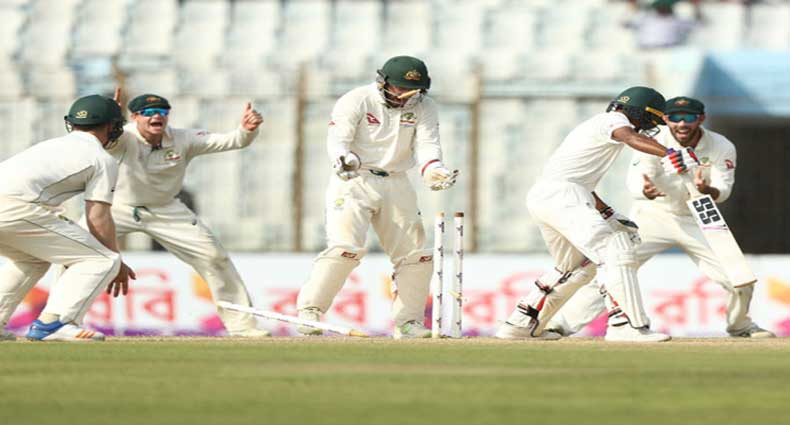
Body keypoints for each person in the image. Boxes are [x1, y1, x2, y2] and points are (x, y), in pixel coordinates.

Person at [546, 96, 775, 338]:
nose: (682, 123)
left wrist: (707, 189)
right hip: (652, 215)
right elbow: (636, 182)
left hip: (697, 217)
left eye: (689, 117)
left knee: (739, 276)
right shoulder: (654, 140)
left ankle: (740, 325)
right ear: (665, 119)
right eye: (675, 117)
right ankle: (560, 324)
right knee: (617, 267)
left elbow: (723, 190)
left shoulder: (720, 145)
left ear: (701, 119)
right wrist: (646, 191)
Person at [496, 86, 700, 342]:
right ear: (638, 111)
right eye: (649, 119)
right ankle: (626, 325)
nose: (646, 127)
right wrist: (671, 153)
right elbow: (629, 137)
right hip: (563, 196)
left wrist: (607, 212)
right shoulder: (613, 120)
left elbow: (579, 181)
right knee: (615, 251)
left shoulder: (597, 127)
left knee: (575, 268)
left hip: (550, 195)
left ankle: (519, 325)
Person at [296, 55, 459, 339]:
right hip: (354, 179)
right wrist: (343, 160)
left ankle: (409, 323)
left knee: (416, 256)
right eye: (399, 89)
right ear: (383, 82)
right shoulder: (357, 100)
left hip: (397, 181)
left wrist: (434, 169)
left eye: (413, 91)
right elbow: (338, 140)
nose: (405, 96)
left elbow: (428, 144)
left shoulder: (424, 105)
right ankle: (310, 311)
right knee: (345, 248)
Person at [92, 92, 269, 337]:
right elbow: (103, 142)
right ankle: (58, 320)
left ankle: (243, 326)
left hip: (166, 210)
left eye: (162, 112)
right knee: (76, 248)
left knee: (215, 257)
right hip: (119, 207)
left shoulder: (183, 138)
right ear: (134, 117)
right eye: (148, 112)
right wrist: (110, 120)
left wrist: (246, 131)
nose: (156, 116)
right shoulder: (123, 137)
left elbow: (231, 141)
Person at [0, 94, 135, 342]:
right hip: (13, 209)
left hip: (10, 207)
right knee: (102, 259)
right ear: (112, 126)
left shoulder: (49, 145)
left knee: (33, 258)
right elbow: (98, 217)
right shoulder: (102, 159)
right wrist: (116, 261)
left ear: (72, 123)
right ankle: (55, 323)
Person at [625, 0, 701, 49]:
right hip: (652, 51)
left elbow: (626, 24)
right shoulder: (677, 21)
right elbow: (698, 24)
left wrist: (632, 7)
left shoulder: (644, 18)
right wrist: (696, 7)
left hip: (660, 51)